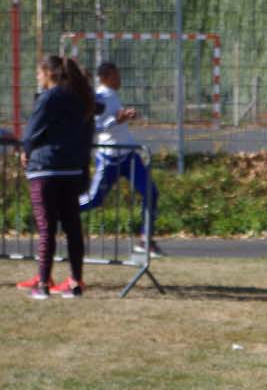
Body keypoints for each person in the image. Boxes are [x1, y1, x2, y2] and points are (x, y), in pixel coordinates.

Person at [17, 56, 96, 299]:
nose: (38, 79)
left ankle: (42, 284)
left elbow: (32, 132)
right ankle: (75, 283)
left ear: (49, 73)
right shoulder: (78, 99)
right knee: (73, 227)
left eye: (39, 74)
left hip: (45, 167)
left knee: (46, 228)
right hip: (71, 169)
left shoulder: (49, 97)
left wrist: (25, 151)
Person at [78, 62, 160, 253]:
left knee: (151, 192)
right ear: (105, 78)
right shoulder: (99, 97)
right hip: (110, 158)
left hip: (128, 155)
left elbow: (115, 121)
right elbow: (95, 128)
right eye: (116, 76)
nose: (120, 80)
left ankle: (145, 241)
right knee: (94, 200)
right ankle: (62, 210)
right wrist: (117, 119)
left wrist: (124, 116)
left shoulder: (113, 95)